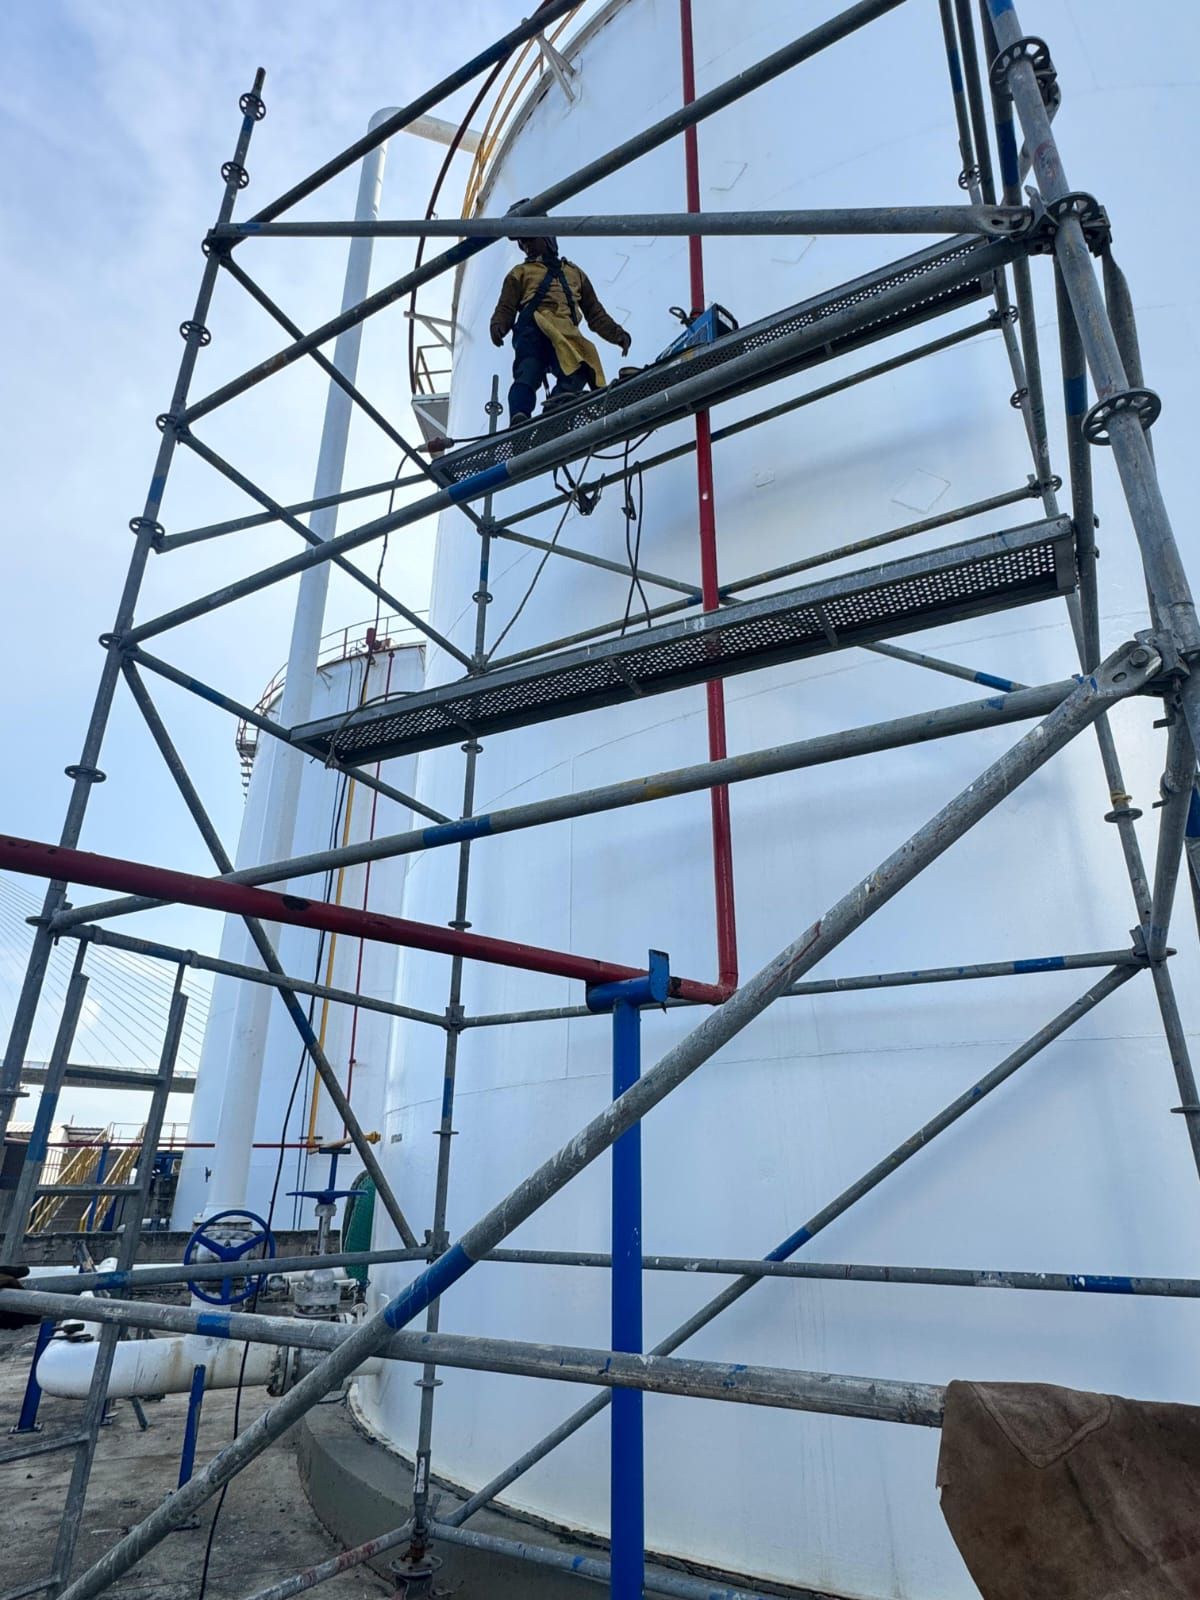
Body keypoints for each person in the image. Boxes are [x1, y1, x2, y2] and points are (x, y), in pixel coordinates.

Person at [490, 235, 632, 427]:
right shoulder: (520, 273)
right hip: (533, 327)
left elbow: (594, 312)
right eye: (523, 243)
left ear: (547, 239)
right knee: (529, 370)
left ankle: (557, 410)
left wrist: (617, 334)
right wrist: (498, 324)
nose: (526, 246)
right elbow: (506, 307)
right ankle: (520, 415)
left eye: (530, 240)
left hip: (565, 333)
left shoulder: (575, 273)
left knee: (579, 368)